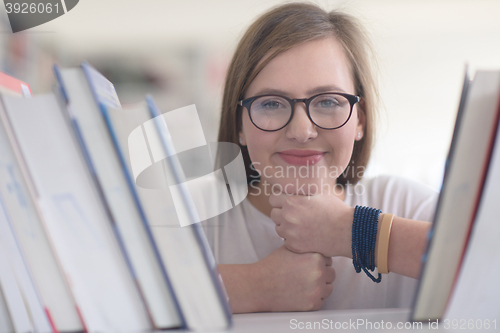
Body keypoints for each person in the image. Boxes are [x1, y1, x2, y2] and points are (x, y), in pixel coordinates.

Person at [202, 2, 438, 313]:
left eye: (328, 101)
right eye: (271, 104)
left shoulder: (406, 204)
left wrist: (355, 231)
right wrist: (252, 285)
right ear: (239, 126)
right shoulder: (197, 220)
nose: (302, 131)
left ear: (360, 121)